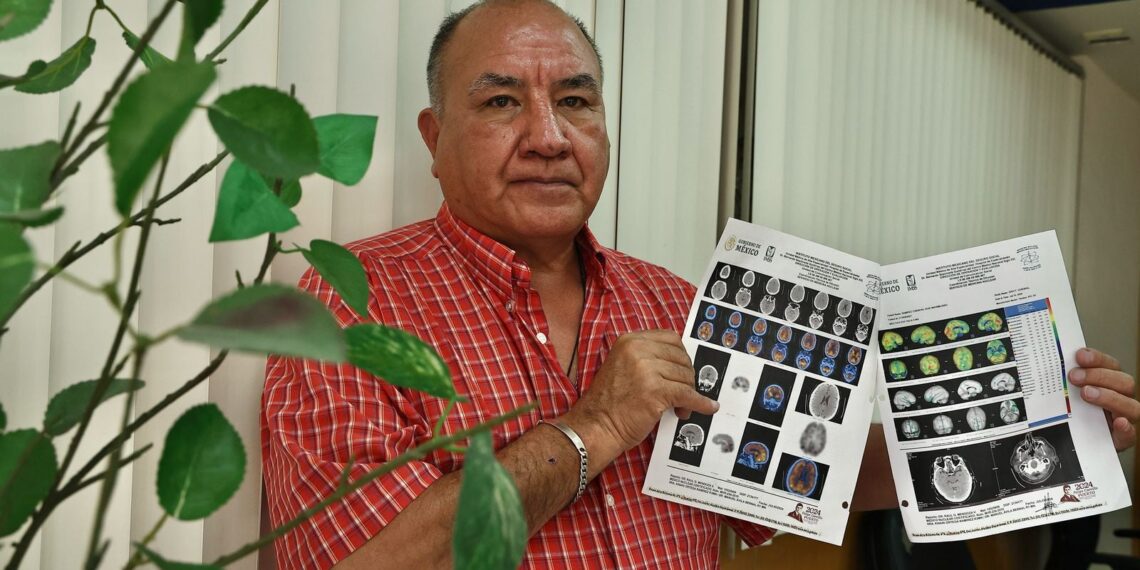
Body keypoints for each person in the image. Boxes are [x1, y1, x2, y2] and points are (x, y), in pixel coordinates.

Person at [261, 1, 1139, 568]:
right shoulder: (351, 303)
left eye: (576, 100)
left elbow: (807, 473)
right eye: (499, 103)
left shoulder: (675, 301)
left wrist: (1055, 434)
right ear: (433, 133)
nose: (548, 136)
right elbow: (351, 562)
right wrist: (597, 425)